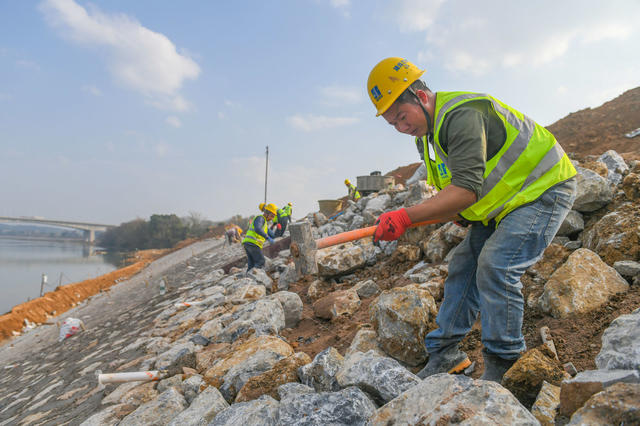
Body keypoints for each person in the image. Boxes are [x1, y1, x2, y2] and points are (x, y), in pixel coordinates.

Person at [367, 57, 577, 382]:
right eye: (392, 123)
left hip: (544, 189)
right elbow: (460, 189)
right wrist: (462, 215)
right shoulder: (429, 135)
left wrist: (406, 217)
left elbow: (465, 191)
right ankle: (445, 354)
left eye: (401, 116)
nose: (401, 127)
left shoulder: (462, 115)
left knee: (497, 266)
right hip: (507, 203)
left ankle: (505, 366)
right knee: (464, 265)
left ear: (421, 97)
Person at [242, 203, 277, 272]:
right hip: (253, 243)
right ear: (267, 213)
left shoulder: (264, 222)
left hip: (248, 243)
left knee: (251, 264)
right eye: (271, 216)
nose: (272, 218)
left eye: (273, 217)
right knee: (261, 261)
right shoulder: (260, 218)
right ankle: (254, 277)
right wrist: (268, 238)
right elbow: (258, 229)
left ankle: (248, 278)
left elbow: (271, 234)